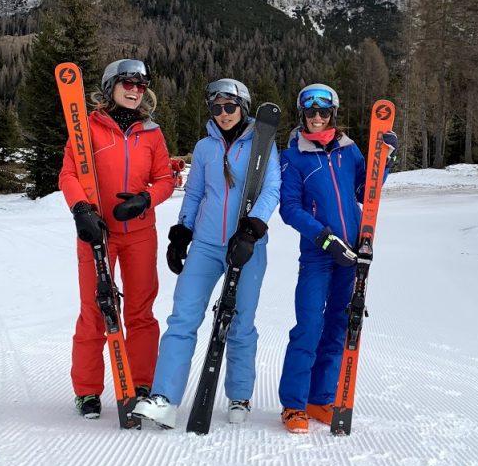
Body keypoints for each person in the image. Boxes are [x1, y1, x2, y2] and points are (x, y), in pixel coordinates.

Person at [132, 78, 281, 429]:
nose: (223, 114)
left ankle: (239, 395)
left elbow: (271, 188)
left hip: (246, 247)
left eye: (230, 107)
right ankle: (164, 397)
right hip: (206, 244)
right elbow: (195, 192)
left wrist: (252, 228)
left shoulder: (263, 145)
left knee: (241, 322)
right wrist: (182, 231)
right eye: (217, 108)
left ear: (243, 107)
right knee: (182, 318)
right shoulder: (204, 148)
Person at [59, 59, 176, 419]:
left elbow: (165, 179)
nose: (134, 91)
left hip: (140, 234)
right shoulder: (87, 127)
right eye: (127, 83)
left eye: (140, 86)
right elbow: (68, 174)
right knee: (95, 311)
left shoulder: (151, 132)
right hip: (97, 233)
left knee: (141, 311)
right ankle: (87, 390)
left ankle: (141, 383)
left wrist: (147, 199)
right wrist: (81, 209)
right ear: (111, 86)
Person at [276, 83, 397, 433]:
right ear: (302, 113)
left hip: (353, 253)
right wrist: (323, 236)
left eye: (323, 111)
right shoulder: (293, 157)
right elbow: (290, 208)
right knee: (310, 326)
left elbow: (365, 190)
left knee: (339, 326)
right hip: (318, 254)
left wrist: (383, 160)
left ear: (333, 113)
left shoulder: (348, 150)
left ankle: (320, 398)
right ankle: (294, 404)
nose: (317, 117)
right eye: (311, 111)